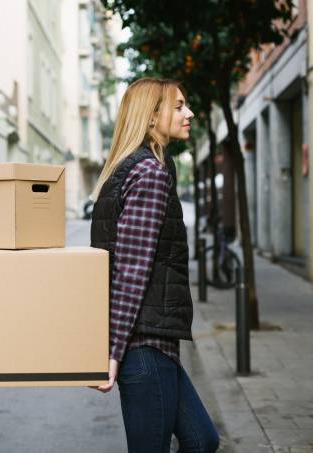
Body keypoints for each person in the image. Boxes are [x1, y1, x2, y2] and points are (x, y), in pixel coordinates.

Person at [90, 77, 220, 452]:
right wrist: (113, 351)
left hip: (154, 342)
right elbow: (130, 270)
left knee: (202, 440)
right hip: (143, 346)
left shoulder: (141, 167)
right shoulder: (148, 174)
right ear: (151, 116)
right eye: (179, 106)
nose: (189, 113)